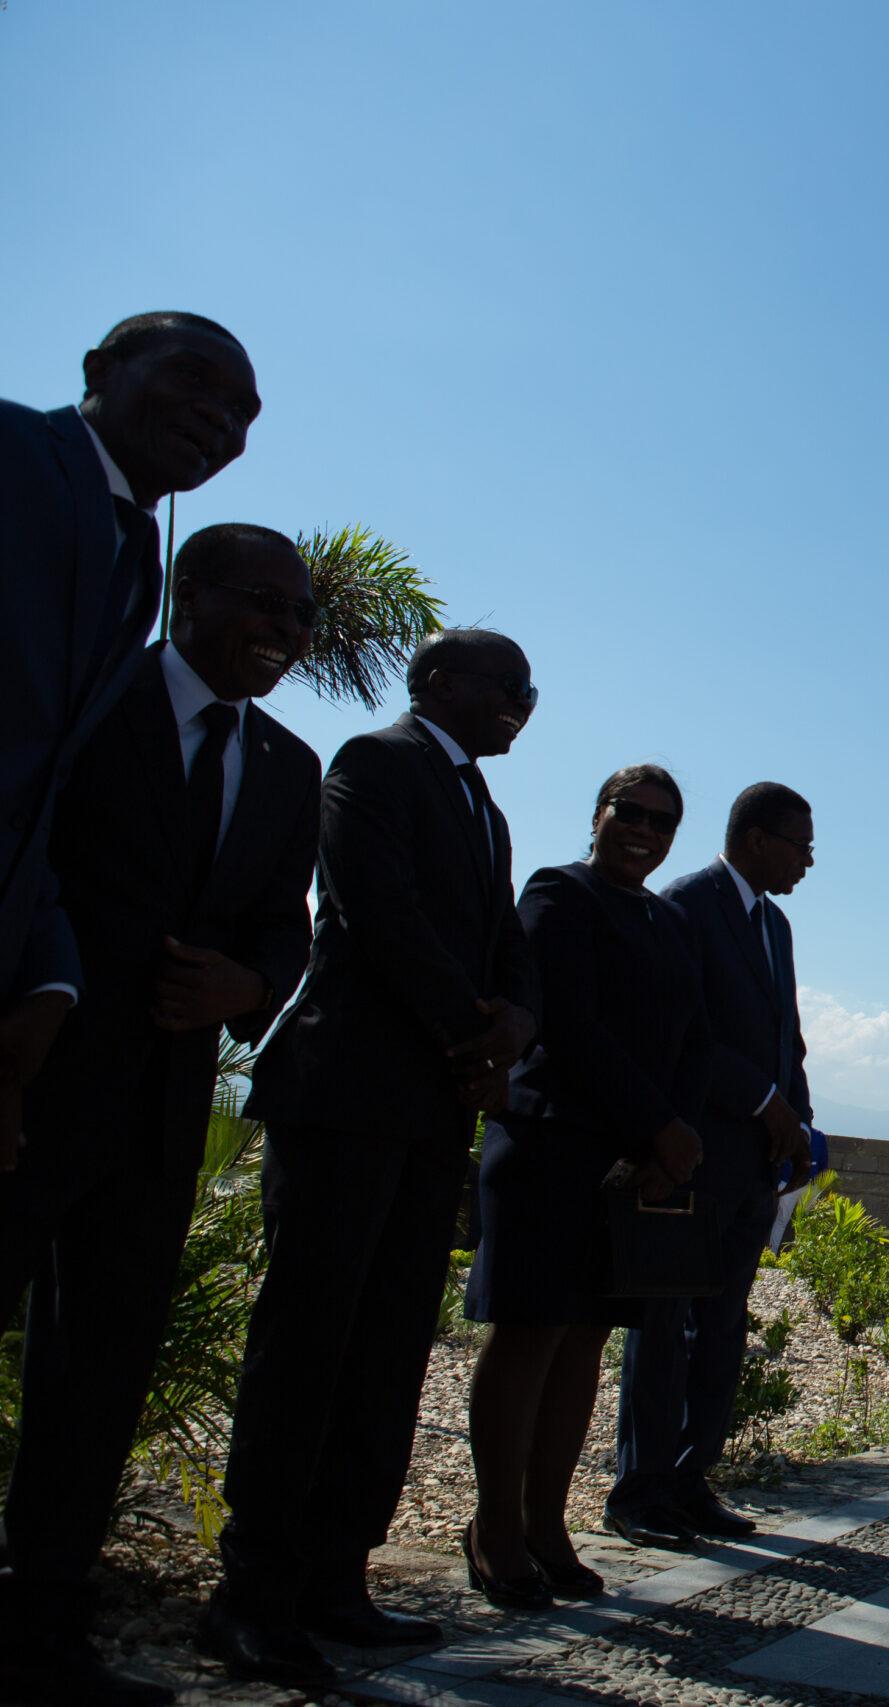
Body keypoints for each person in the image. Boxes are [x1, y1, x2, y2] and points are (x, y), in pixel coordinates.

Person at [0, 525, 318, 1707]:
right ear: (191, 592)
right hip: (32, 1080)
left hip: (164, 1108)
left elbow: (284, 926)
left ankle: (43, 1624)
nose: (284, 632)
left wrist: (253, 987)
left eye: (302, 619)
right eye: (265, 605)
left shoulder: (285, 764)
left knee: (99, 1371)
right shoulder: (95, 698)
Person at [200, 629, 541, 1688]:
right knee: (308, 1343)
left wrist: (515, 1027)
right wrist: (470, 1034)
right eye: (506, 684)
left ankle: (337, 1579)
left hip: (432, 1112)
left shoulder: (484, 808)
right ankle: (252, 1595)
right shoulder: (374, 764)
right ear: (440, 683)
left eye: (531, 691)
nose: (522, 704)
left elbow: (504, 950)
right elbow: (373, 909)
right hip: (346, 1095)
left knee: (389, 1349)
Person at [0, 314, 262, 1180]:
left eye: (242, 412)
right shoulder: (15, 455)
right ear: (100, 367)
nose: (219, 418)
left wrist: (46, 973)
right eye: (194, 380)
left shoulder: (137, 554)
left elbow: (41, 790)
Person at [463, 766, 707, 1611]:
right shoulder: (559, 895)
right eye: (630, 812)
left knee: (583, 1349)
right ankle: (495, 1527)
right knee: (529, 1336)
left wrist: (663, 1136)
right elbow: (568, 1023)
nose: (645, 829)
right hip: (549, 1146)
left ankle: (547, 1524)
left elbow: (681, 1039)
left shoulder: (668, 920)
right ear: (597, 815)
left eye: (663, 820)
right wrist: (654, 1124)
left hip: (624, 1166)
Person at [607, 782, 820, 1549]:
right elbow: (689, 1029)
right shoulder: (688, 904)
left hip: (754, 1164)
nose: (809, 859)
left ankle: (693, 1478)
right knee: (664, 1327)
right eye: (800, 844)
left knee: (722, 1328)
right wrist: (763, 1099)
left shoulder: (775, 924)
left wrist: (796, 1118)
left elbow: (782, 1034)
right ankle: (641, 1489)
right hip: (695, 1152)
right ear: (757, 838)